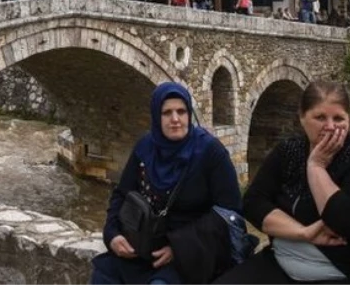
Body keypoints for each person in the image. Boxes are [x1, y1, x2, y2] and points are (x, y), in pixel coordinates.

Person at [214, 80, 350, 285]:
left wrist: (316, 167)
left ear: (349, 121)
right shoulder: (289, 151)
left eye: (338, 118)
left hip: (340, 273)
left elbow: (347, 224)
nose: (331, 127)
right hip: (281, 262)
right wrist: (303, 233)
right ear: (302, 118)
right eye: (320, 117)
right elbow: (253, 202)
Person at [93, 82, 242, 285]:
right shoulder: (146, 147)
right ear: (156, 116)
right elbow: (122, 193)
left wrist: (178, 248)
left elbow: (229, 213)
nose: (175, 119)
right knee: (103, 277)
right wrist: (112, 235)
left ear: (189, 114)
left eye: (181, 111)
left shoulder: (211, 153)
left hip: (192, 252)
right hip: (145, 245)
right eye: (167, 113)